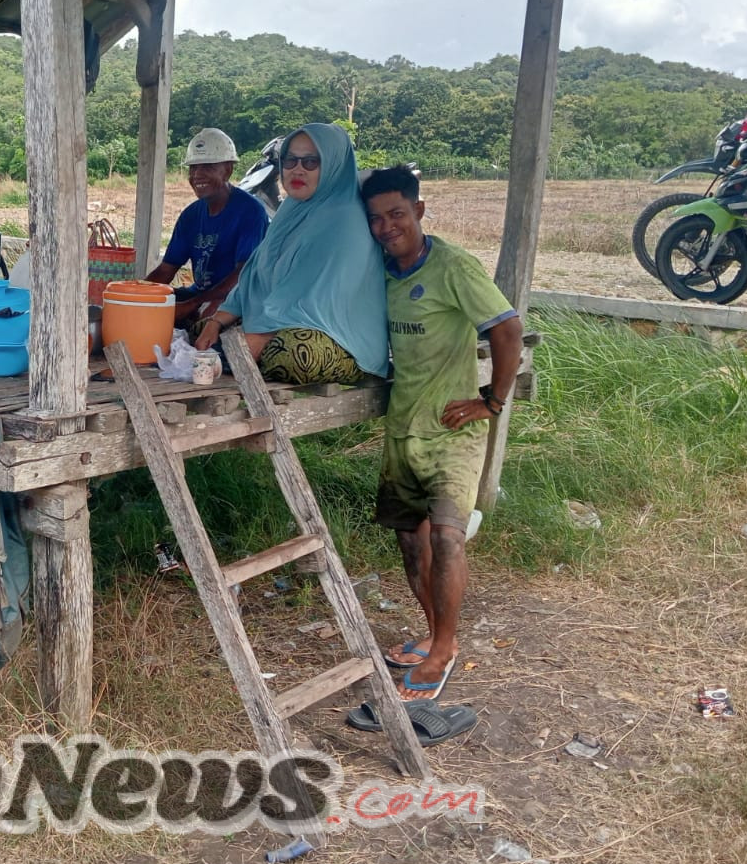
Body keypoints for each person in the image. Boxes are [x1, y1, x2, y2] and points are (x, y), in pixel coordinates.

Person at [360, 165, 523, 702]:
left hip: (454, 427)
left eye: (397, 214)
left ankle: (443, 649)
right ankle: (435, 635)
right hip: (404, 428)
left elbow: (507, 329)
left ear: (419, 211)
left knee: (447, 537)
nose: (387, 227)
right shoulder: (379, 271)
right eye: (377, 219)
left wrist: (491, 401)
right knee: (412, 543)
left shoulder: (453, 266)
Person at [194, 123, 389, 385]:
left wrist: (261, 337)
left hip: (338, 336)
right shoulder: (291, 210)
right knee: (201, 328)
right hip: (282, 318)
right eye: (290, 160)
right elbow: (254, 276)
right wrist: (217, 321)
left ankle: (246, 354)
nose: (297, 169)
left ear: (333, 165)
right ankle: (239, 353)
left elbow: (314, 298)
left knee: (294, 353)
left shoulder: (347, 219)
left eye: (311, 162)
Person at [145, 127, 269, 324]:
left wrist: (193, 304)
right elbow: (166, 270)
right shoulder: (191, 215)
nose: (197, 175)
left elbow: (244, 276)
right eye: (193, 168)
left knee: (209, 314)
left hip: (238, 298)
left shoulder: (251, 212)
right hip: (201, 294)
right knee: (155, 305)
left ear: (228, 170)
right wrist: (134, 296)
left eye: (207, 167)